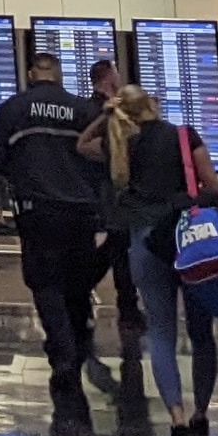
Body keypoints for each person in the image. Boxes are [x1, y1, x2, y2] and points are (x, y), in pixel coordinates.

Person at [81, 86, 218, 436]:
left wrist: (106, 114)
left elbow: (83, 144)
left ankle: (176, 419)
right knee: (200, 332)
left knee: (161, 333)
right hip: (191, 241)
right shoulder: (183, 136)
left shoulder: (120, 145)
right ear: (153, 105)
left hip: (146, 245)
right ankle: (201, 415)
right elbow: (212, 185)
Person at [0, 51, 105, 422]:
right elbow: (103, 158)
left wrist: (24, 170)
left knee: (45, 283)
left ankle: (63, 355)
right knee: (77, 283)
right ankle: (78, 342)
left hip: (37, 209)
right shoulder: (83, 110)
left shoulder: (14, 108)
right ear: (60, 74)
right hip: (81, 210)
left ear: (32, 73)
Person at [80, 58, 146, 339]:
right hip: (114, 192)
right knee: (119, 251)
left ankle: (82, 290)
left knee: (115, 248)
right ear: (109, 79)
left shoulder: (84, 110)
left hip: (96, 191)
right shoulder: (111, 115)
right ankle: (127, 309)